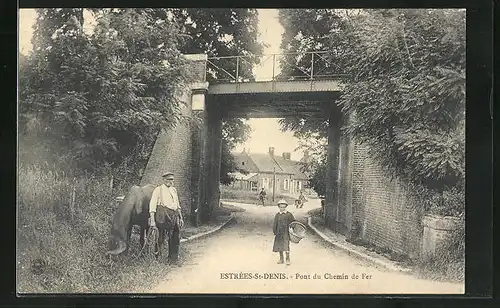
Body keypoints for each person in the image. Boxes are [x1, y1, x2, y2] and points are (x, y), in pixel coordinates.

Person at [149, 172, 184, 264]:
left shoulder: (174, 190)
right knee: (160, 236)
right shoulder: (158, 189)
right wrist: (152, 220)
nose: (170, 181)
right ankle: (158, 258)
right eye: (169, 179)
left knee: (175, 235)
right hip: (162, 214)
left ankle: (173, 258)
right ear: (164, 180)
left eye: (172, 179)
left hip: (174, 215)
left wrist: (180, 217)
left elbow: (177, 205)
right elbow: (152, 205)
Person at [272, 199, 295, 265]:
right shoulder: (277, 215)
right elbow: (275, 223)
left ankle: (287, 259)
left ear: (285, 207)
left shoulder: (289, 214)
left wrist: (292, 228)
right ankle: (281, 259)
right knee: (279, 245)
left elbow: (293, 222)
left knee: (286, 245)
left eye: (283, 207)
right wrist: (275, 231)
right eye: (281, 207)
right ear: (279, 207)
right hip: (279, 233)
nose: (282, 208)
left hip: (286, 232)